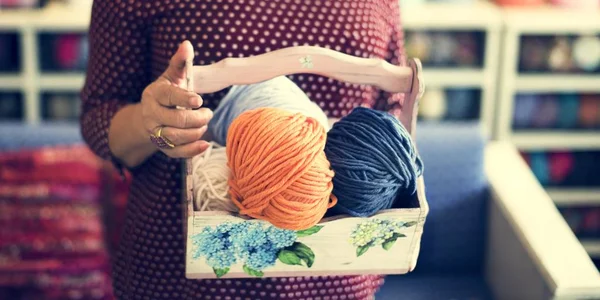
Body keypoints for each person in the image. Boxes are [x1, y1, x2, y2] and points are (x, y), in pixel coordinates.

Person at [81, 1, 407, 299]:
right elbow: (99, 117)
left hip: (338, 278)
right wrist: (152, 128)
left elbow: (392, 105)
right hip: (180, 274)